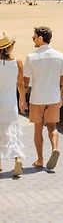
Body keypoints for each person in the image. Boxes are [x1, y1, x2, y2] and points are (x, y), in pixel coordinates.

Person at [24, 27, 63, 170]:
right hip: (53, 97)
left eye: (34, 37)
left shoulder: (31, 57)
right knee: (52, 127)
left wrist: (22, 99)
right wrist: (61, 97)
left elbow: (25, 82)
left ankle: (40, 160)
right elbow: (62, 81)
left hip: (37, 98)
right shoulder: (59, 56)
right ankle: (55, 148)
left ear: (41, 38)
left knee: (38, 130)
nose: (33, 39)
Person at [0, 32, 26, 177]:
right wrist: (22, 100)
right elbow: (20, 84)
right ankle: (17, 159)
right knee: (13, 132)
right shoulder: (17, 62)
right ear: (9, 46)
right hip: (10, 102)